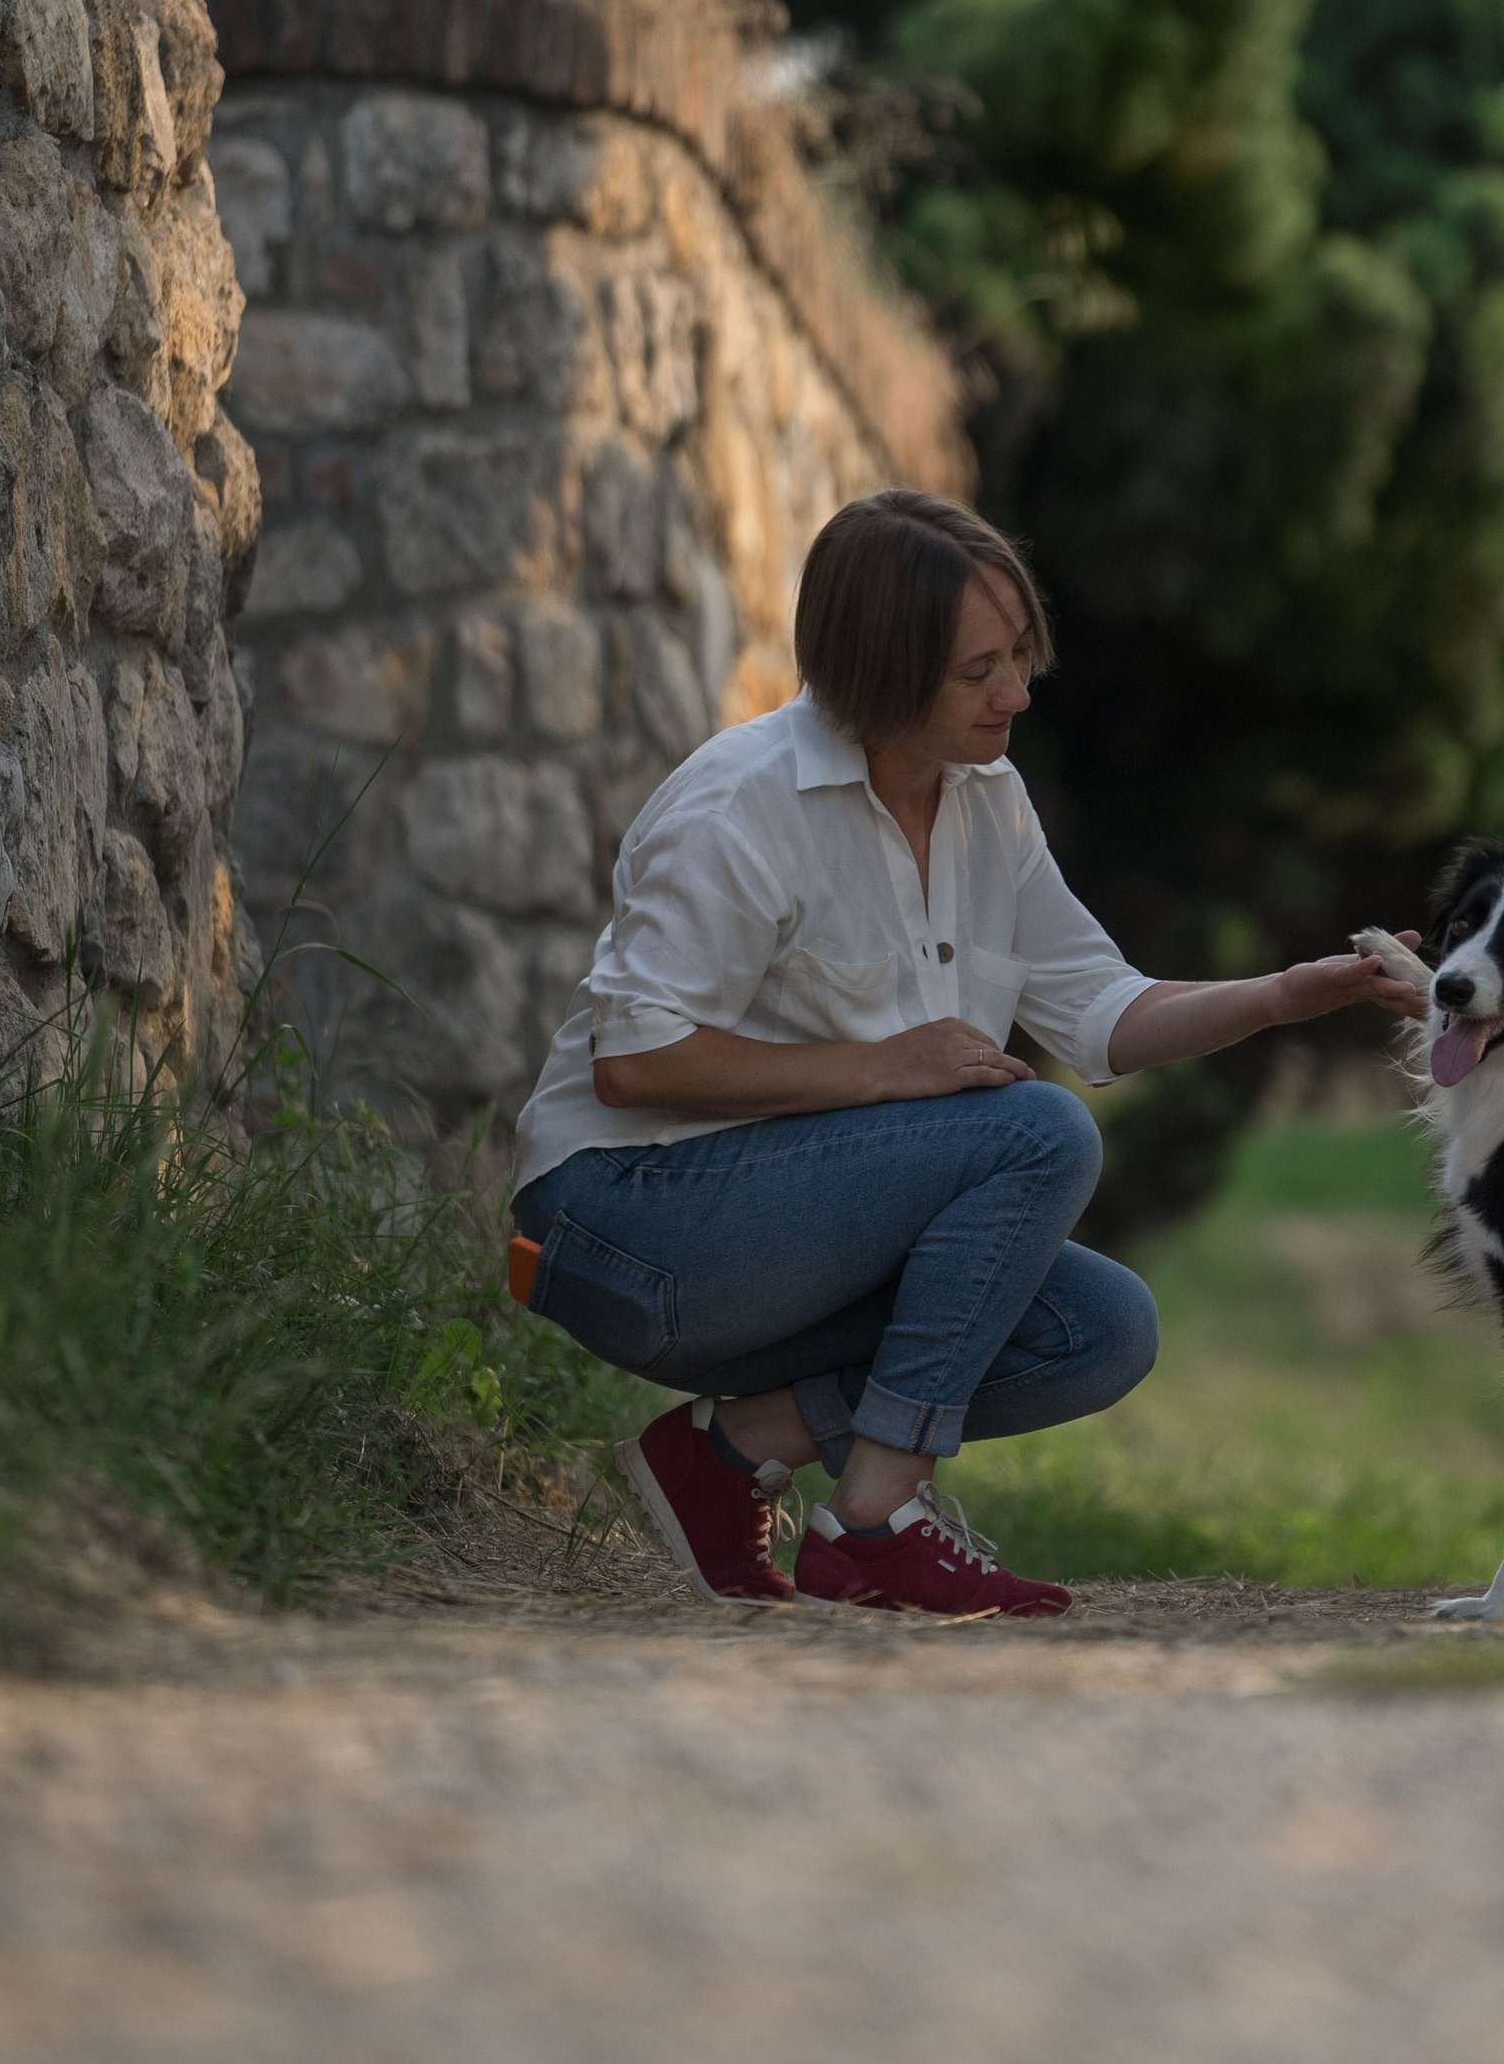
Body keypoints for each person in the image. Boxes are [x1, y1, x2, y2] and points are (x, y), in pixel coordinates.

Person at [510, 488, 1427, 1616]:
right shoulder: (737, 808)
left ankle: (731, 1452)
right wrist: (884, 1069)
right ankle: (873, 1521)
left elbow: (1101, 1011)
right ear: (880, 676)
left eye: (1020, 656)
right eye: (978, 671)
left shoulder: (987, 801)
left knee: (1100, 1327)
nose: (1017, 693)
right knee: (1035, 1130)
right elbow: (634, 1065)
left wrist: (1285, 997)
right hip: (626, 1225)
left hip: (788, 1240)